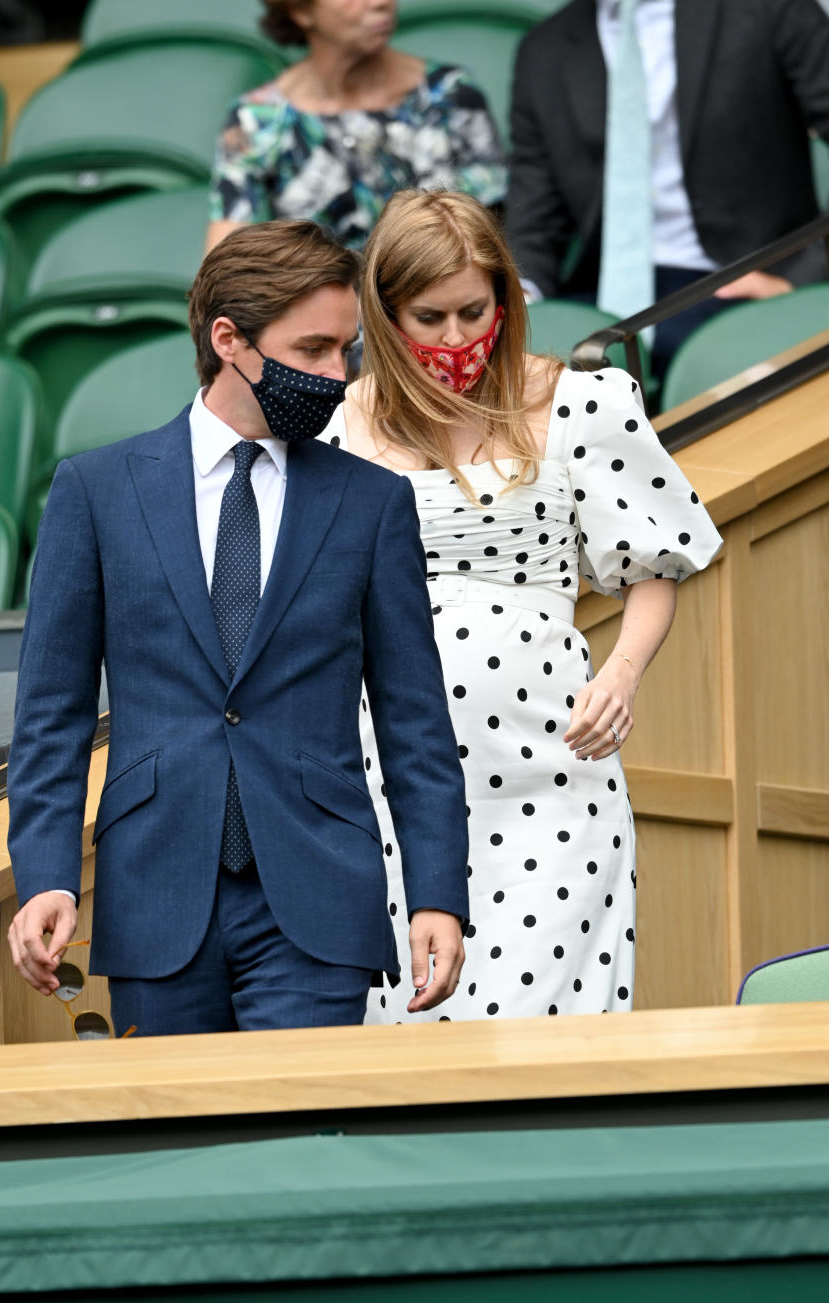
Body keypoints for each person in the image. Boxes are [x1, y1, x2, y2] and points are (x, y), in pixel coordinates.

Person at [6, 219, 469, 1036]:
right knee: (180, 1156)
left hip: (319, 897)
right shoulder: (96, 490)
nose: (337, 374)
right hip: (156, 893)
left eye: (345, 350)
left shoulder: (372, 502)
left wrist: (438, 892)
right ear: (229, 339)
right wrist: (45, 875)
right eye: (315, 349)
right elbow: (52, 714)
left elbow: (416, 722)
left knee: (302, 1146)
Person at [323, 190, 722, 1020]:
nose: (458, 337)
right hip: (384, 785)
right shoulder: (338, 422)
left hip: (553, 779)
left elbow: (656, 563)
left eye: (477, 309)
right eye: (429, 316)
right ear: (384, 312)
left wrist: (622, 672)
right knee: (407, 1058)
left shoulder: (582, 401)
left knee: (541, 1042)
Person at [504, 0, 829, 377]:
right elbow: (534, 214)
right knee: (529, 374)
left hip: (744, 278)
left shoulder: (767, 8)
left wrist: (803, 276)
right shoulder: (544, 50)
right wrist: (518, 301)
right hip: (603, 291)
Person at [205, 0, 506, 256]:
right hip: (324, 314)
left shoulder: (450, 94)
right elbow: (224, 258)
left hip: (439, 309)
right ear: (300, 10)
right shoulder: (257, 119)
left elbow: (497, 231)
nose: (380, 3)